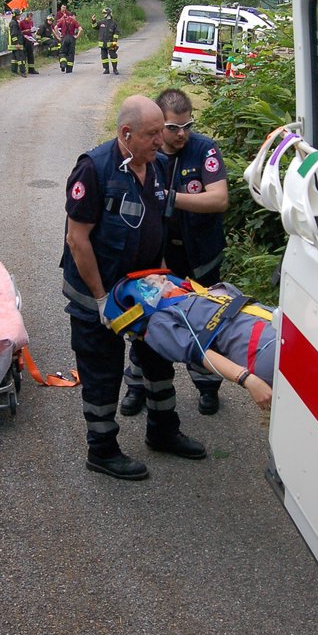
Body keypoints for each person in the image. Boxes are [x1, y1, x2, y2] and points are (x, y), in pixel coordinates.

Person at [62, 95, 207, 480]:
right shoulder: (94, 170)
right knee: (102, 369)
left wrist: (162, 277)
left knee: (158, 357)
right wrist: (101, 299)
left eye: (163, 132)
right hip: (99, 295)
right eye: (153, 133)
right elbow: (78, 240)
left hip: (143, 289)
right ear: (126, 133)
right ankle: (102, 450)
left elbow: (154, 227)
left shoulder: (157, 167)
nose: (162, 141)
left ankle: (163, 430)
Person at [121, 88, 229, 417]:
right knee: (149, 322)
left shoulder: (204, 150)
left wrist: (167, 196)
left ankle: (207, 385)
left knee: (204, 321)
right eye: (172, 128)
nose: (181, 134)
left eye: (188, 125)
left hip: (200, 257)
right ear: (158, 126)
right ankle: (137, 385)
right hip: (160, 258)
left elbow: (218, 199)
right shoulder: (146, 156)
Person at [110, 274, 276, 412]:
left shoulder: (208, 291)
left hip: (281, 327)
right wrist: (247, 379)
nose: (162, 277)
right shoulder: (161, 320)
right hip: (264, 350)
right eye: (152, 281)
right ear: (147, 295)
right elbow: (197, 352)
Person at [91, 6, 120, 74]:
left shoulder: (113, 23)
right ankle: (106, 69)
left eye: (104, 13)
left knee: (113, 56)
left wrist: (114, 43)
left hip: (111, 43)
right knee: (104, 57)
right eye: (103, 13)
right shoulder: (101, 22)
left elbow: (116, 33)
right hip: (102, 44)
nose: (103, 14)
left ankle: (115, 69)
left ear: (109, 13)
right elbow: (94, 27)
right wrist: (93, 20)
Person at [55, 7, 82, 73]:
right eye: (75, 16)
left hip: (64, 38)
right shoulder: (74, 21)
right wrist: (77, 36)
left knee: (62, 52)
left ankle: (63, 64)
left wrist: (59, 34)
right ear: (73, 16)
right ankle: (69, 69)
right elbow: (80, 29)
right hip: (71, 38)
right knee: (70, 53)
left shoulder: (63, 20)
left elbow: (55, 27)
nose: (75, 17)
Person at [7, 9, 25, 76]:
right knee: (20, 58)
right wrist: (17, 43)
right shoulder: (13, 23)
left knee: (14, 58)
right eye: (19, 14)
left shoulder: (14, 22)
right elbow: (13, 34)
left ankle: (14, 71)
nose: (20, 16)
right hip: (16, 44)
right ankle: (22, 72)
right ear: (16, 15)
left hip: (13, 44)